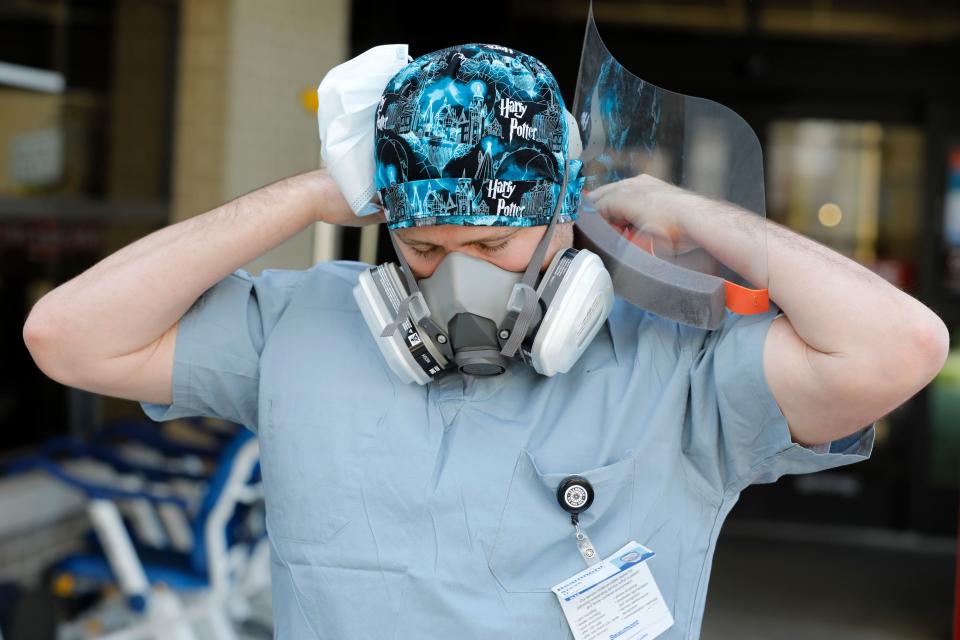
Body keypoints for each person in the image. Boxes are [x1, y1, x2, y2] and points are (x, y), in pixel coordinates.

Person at [23, 43, 948, 639]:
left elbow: (899, 347)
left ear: (561, 222)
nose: (460, 276)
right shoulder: (301, 324)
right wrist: (308, 195)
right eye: (425, 247)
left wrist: (683, 210)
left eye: (494, 246)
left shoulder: (675, 367)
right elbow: (68, 337)